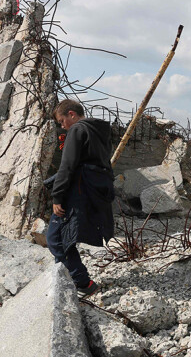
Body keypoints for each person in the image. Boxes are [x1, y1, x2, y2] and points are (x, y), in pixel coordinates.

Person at [47, 99, 115, 296]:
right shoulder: (100, 131)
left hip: (77, 191)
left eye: (61, 121)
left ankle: (82, 282)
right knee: (61, 236)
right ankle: (64, 279)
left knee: (56, 238)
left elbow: (67, 167)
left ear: (71, 114)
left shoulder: (77, 130)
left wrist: (57, 196)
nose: (62, 126)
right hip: (93, 190)